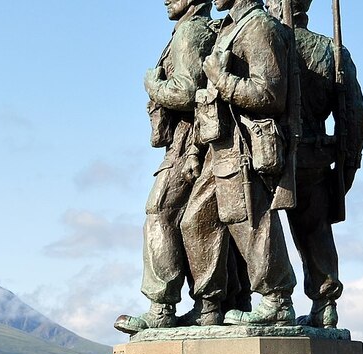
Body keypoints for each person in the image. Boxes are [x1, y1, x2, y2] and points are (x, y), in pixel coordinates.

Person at [180, 0, 298, 327]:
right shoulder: (230, 28)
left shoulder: (258, 27)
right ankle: (208, 305)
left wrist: (223, 80)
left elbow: (271, 94)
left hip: (244, 143)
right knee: (195, 221)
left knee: (251, 220)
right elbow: (205, 97)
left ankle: (276, 300)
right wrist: (194, 149)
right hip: (217, 145)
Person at [114, 0, 217, 334]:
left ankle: (162, 307)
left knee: (160, 210)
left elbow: (187, 92)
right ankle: (212, 304)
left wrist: (153, 86)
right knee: (201, 219)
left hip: (189, 140)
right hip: (197, 139)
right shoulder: (197, 29)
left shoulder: (190, 31)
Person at [266, 0, 363, 328]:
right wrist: (346, 168)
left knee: (256, 227)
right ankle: (324, 303)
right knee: (315, 231)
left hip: (266, 157)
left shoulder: (267, 41)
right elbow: (353, 120)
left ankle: (267, 300)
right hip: (315, 156)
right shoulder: (331, 52)